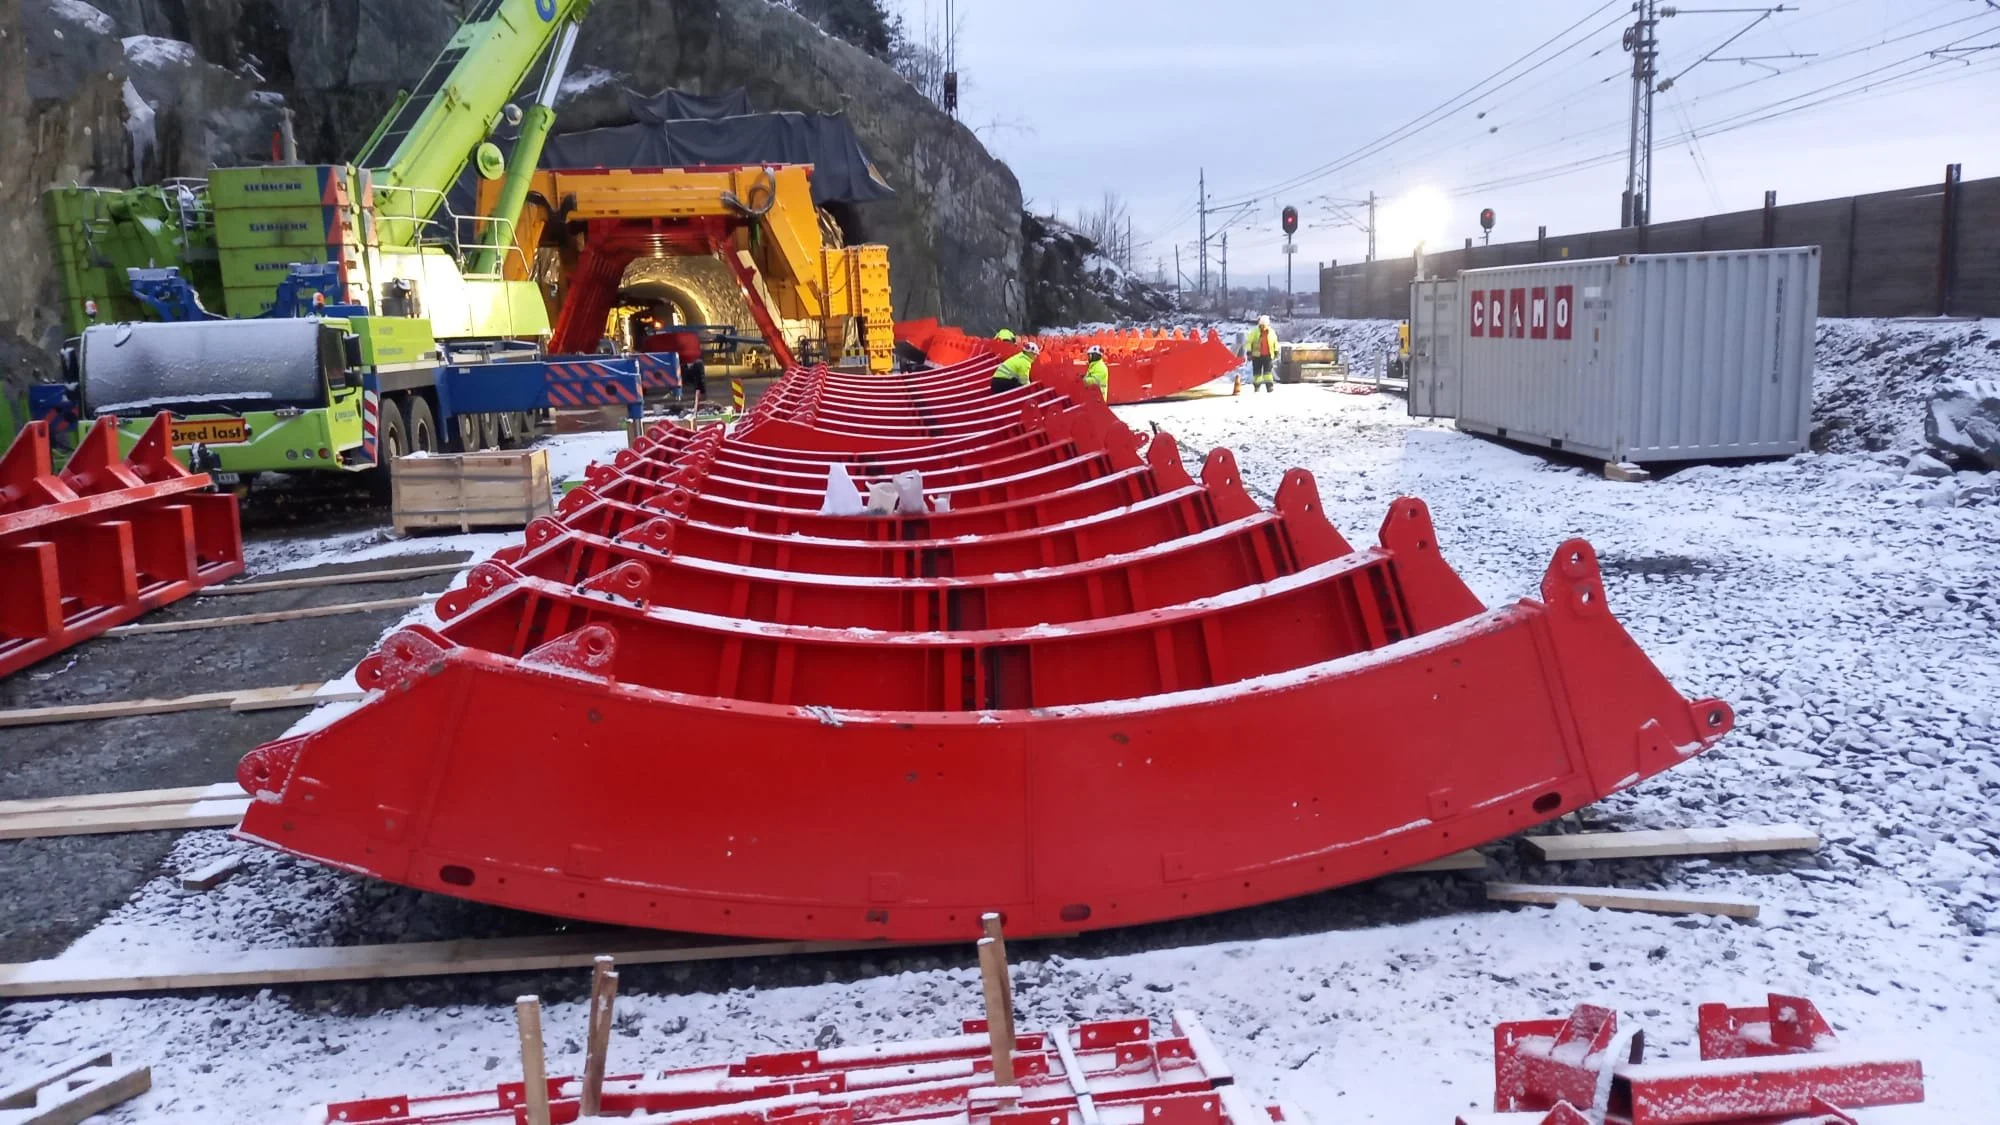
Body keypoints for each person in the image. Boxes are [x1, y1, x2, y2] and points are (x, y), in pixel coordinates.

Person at [1241, 315, 1280, 394]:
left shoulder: (1271, 332)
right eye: (1261, 325)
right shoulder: (1255, 332)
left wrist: (1276, 351)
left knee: (1268, 372)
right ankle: (1257, 387)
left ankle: (1269, 386)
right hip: (1257, 355)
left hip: (1268, 355)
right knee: (1257, 372)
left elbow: (1275, 342)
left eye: (1264, 325)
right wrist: (1249, 351)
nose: (1263, 327)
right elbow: (1249, 342)